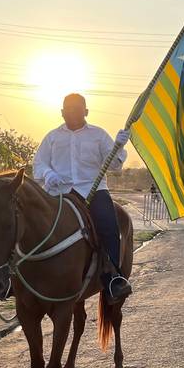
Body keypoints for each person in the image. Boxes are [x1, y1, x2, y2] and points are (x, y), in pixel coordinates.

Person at [33, 93, 132, 304]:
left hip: (92, 191)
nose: (72, 112)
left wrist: (119, 146)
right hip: (59, 194)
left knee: (108, 224)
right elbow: (38, 164)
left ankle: (112, 276)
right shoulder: (52, 137)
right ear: (61, 112)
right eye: (68, 109)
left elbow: (114, 166)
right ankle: (15, 278)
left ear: (86, 111)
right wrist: (48, 174)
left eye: (77, 108)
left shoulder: (98, 135)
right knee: (29, 225)